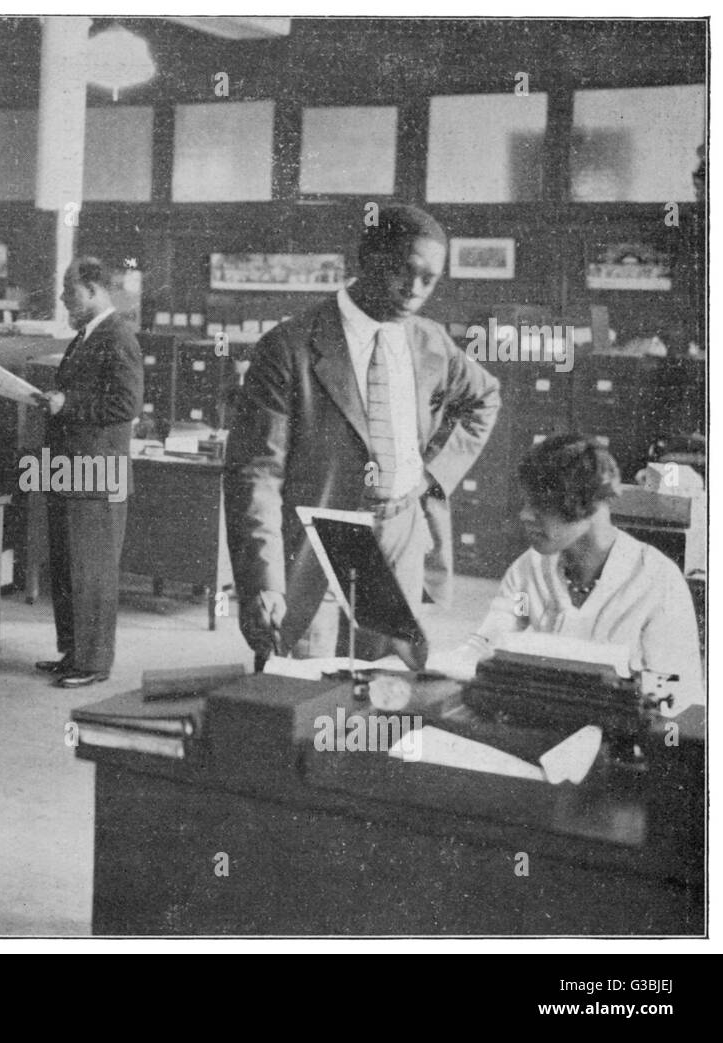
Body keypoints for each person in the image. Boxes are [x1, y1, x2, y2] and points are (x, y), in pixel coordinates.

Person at [225, 203, 502, 665]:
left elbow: (484, 399)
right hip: (316, 537)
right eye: (402, 271)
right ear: (366, 259)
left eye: (429, 280)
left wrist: (432, 476)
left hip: (398, 530)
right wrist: (265, 581)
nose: (414, 291)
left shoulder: (430, 341)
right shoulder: (289, 346)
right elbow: (257, 475)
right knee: (296, 689)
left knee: (385, 687)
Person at [462, 434, 704, 712]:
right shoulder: (528, 569)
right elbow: (488, 641)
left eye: (541, 504)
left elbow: (680, 700)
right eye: (526, 503)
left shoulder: (658, 581)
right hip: (540, 720)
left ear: (588, 504)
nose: (525, 515)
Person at [34, 258, 144, 688]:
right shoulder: (86, 336)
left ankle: (93, 663)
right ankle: (73, 653)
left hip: (98, 474)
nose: (63, 300)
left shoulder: (118, 335)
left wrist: (68, 405)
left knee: (92, 569)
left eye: (70, 292)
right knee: (68, 565)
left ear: (95, 290)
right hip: (74, 469)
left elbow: (126, 405)